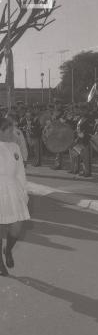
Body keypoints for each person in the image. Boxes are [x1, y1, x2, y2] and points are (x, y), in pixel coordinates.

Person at [0, 117, 30, 276]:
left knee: (17, 227)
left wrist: (24, 192)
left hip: (12, 188)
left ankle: (8, 249)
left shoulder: (15, 147)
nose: (13, 134)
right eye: (9, 131)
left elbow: (20, 172)